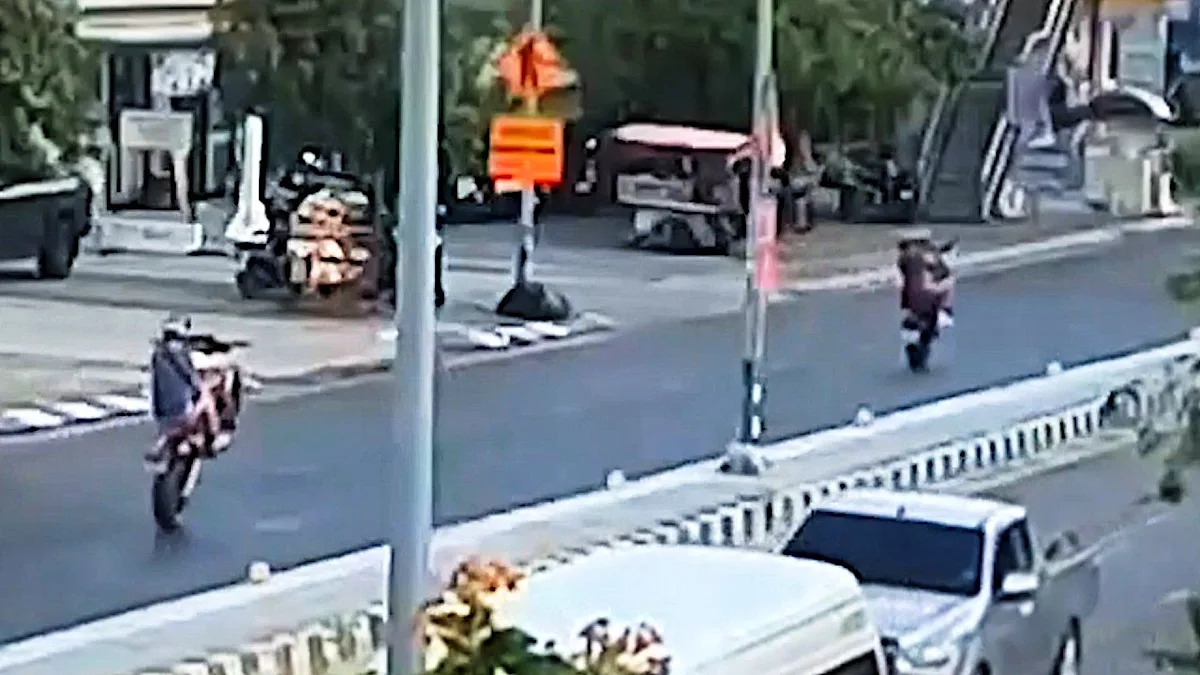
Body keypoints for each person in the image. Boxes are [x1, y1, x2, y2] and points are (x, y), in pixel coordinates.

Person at [146, 315, 228, 462]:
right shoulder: (176, 423)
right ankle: (174, 344)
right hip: (176, 400)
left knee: (199, 380)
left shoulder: (179, 422)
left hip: (176, 400)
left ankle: (174, 346)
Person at [897, 232, 955, 328]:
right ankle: (943, 311)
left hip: (913, 300)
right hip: (927, 296)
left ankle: (918, 317)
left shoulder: (904, 260)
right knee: (948, 282)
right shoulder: (922, 257)